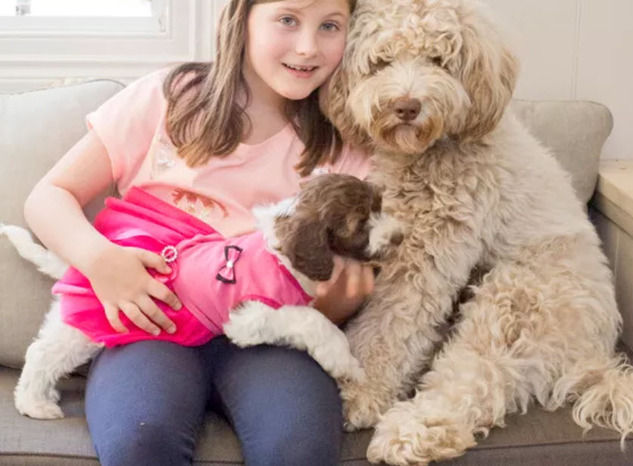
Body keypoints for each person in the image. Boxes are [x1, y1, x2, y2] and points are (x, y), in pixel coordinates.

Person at [23, 0, 372, 465]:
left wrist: (337, 301)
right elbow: (48, 197)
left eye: (330, 26)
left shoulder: (348, 141)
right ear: (242, 17)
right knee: (141, 439)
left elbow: (340, 286)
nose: (308, 47)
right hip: (151, 323)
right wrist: (101, 262)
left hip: (269, 335)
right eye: (288, 19)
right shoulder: (172, 95)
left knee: (298, 446)